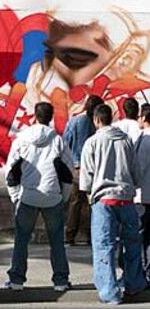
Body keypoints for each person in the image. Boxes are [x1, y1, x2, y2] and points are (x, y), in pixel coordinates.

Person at [80, 104, 148, 305]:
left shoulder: (92, 142)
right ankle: (134, 283)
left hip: (104, 200)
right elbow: (136, 171)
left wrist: (90, 196)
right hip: (126, 199)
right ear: (111, 118)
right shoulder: (126, 141)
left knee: (104, 246)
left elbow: (86, 177)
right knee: (132, 244)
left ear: (96, 120)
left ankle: (109, 291)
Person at [4, 102, 72, 292]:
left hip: (27, 196)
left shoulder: (21, 139)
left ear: (35, 115)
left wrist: (15, 197)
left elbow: (11, 171)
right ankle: (60, 281)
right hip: (53, 196)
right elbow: (67, 174)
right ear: (50, 117)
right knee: (57, 240)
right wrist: (63, 197)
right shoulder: (59, 141)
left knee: (21, 239)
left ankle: (16, 280)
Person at [63, 95, 104, 245]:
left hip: (76, 167)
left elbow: (66, 141)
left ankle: (70, 235)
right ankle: (89, 234)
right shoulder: (97, 125)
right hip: (93, 167)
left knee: (75, 202)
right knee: (90, 202)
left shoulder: (74, 121)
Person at [137, 104, 150, 281]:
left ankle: (145, 274)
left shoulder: (145, 141)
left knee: (143, 237)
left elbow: (138, 169)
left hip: (145, 196)